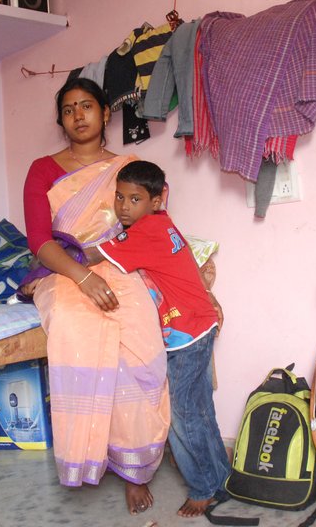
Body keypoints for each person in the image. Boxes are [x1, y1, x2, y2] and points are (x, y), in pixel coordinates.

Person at [22, 77, 170, 516]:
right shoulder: (42, 169)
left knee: (133, 331)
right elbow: (38, 241)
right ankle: (88, 453)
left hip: (123, 264)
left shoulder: (128, 166)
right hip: (63, 267)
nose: (78, 116)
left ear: (106, 112)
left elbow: (151, 228)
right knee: (76, 322)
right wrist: (84, 278)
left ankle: (132, 467)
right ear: (60, 120)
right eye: (68, 109)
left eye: (87, 106)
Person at [83, 160, 231, 518]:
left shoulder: (145, 231)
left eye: (134, 199)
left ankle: (202, 488)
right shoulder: (161, 224)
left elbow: (92, 256)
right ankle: (220, 478)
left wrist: (53, 254)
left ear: (156, 201)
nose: (123, 207)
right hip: (197, 327)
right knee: (200, 410)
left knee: (182, 416)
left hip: (186, 335)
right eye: (119, 197)